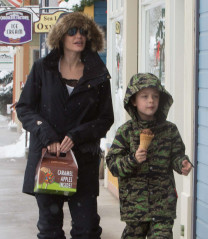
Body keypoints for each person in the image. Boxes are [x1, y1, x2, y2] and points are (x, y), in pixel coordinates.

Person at [16, 12, 114, 239]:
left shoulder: (98, 73)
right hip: (48, 158)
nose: (78, 36)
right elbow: (24, 108)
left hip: (83, 161)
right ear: (61, 36)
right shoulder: (43, 68)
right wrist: (47, 133)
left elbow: (105, 118)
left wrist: (78, 135)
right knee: (49, 229)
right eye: (72, 31)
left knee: (86, 230)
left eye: (83, 31)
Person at [106, 73, 193, 239]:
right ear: (134, 100)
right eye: (144, 96)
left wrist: (182, 163)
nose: (151, 101)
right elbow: (113, 164)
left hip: (163, 204)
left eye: (155, 96)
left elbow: (176, 154)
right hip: (135, 208)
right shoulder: (126, 131)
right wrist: (133, 160)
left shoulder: (169, 130)